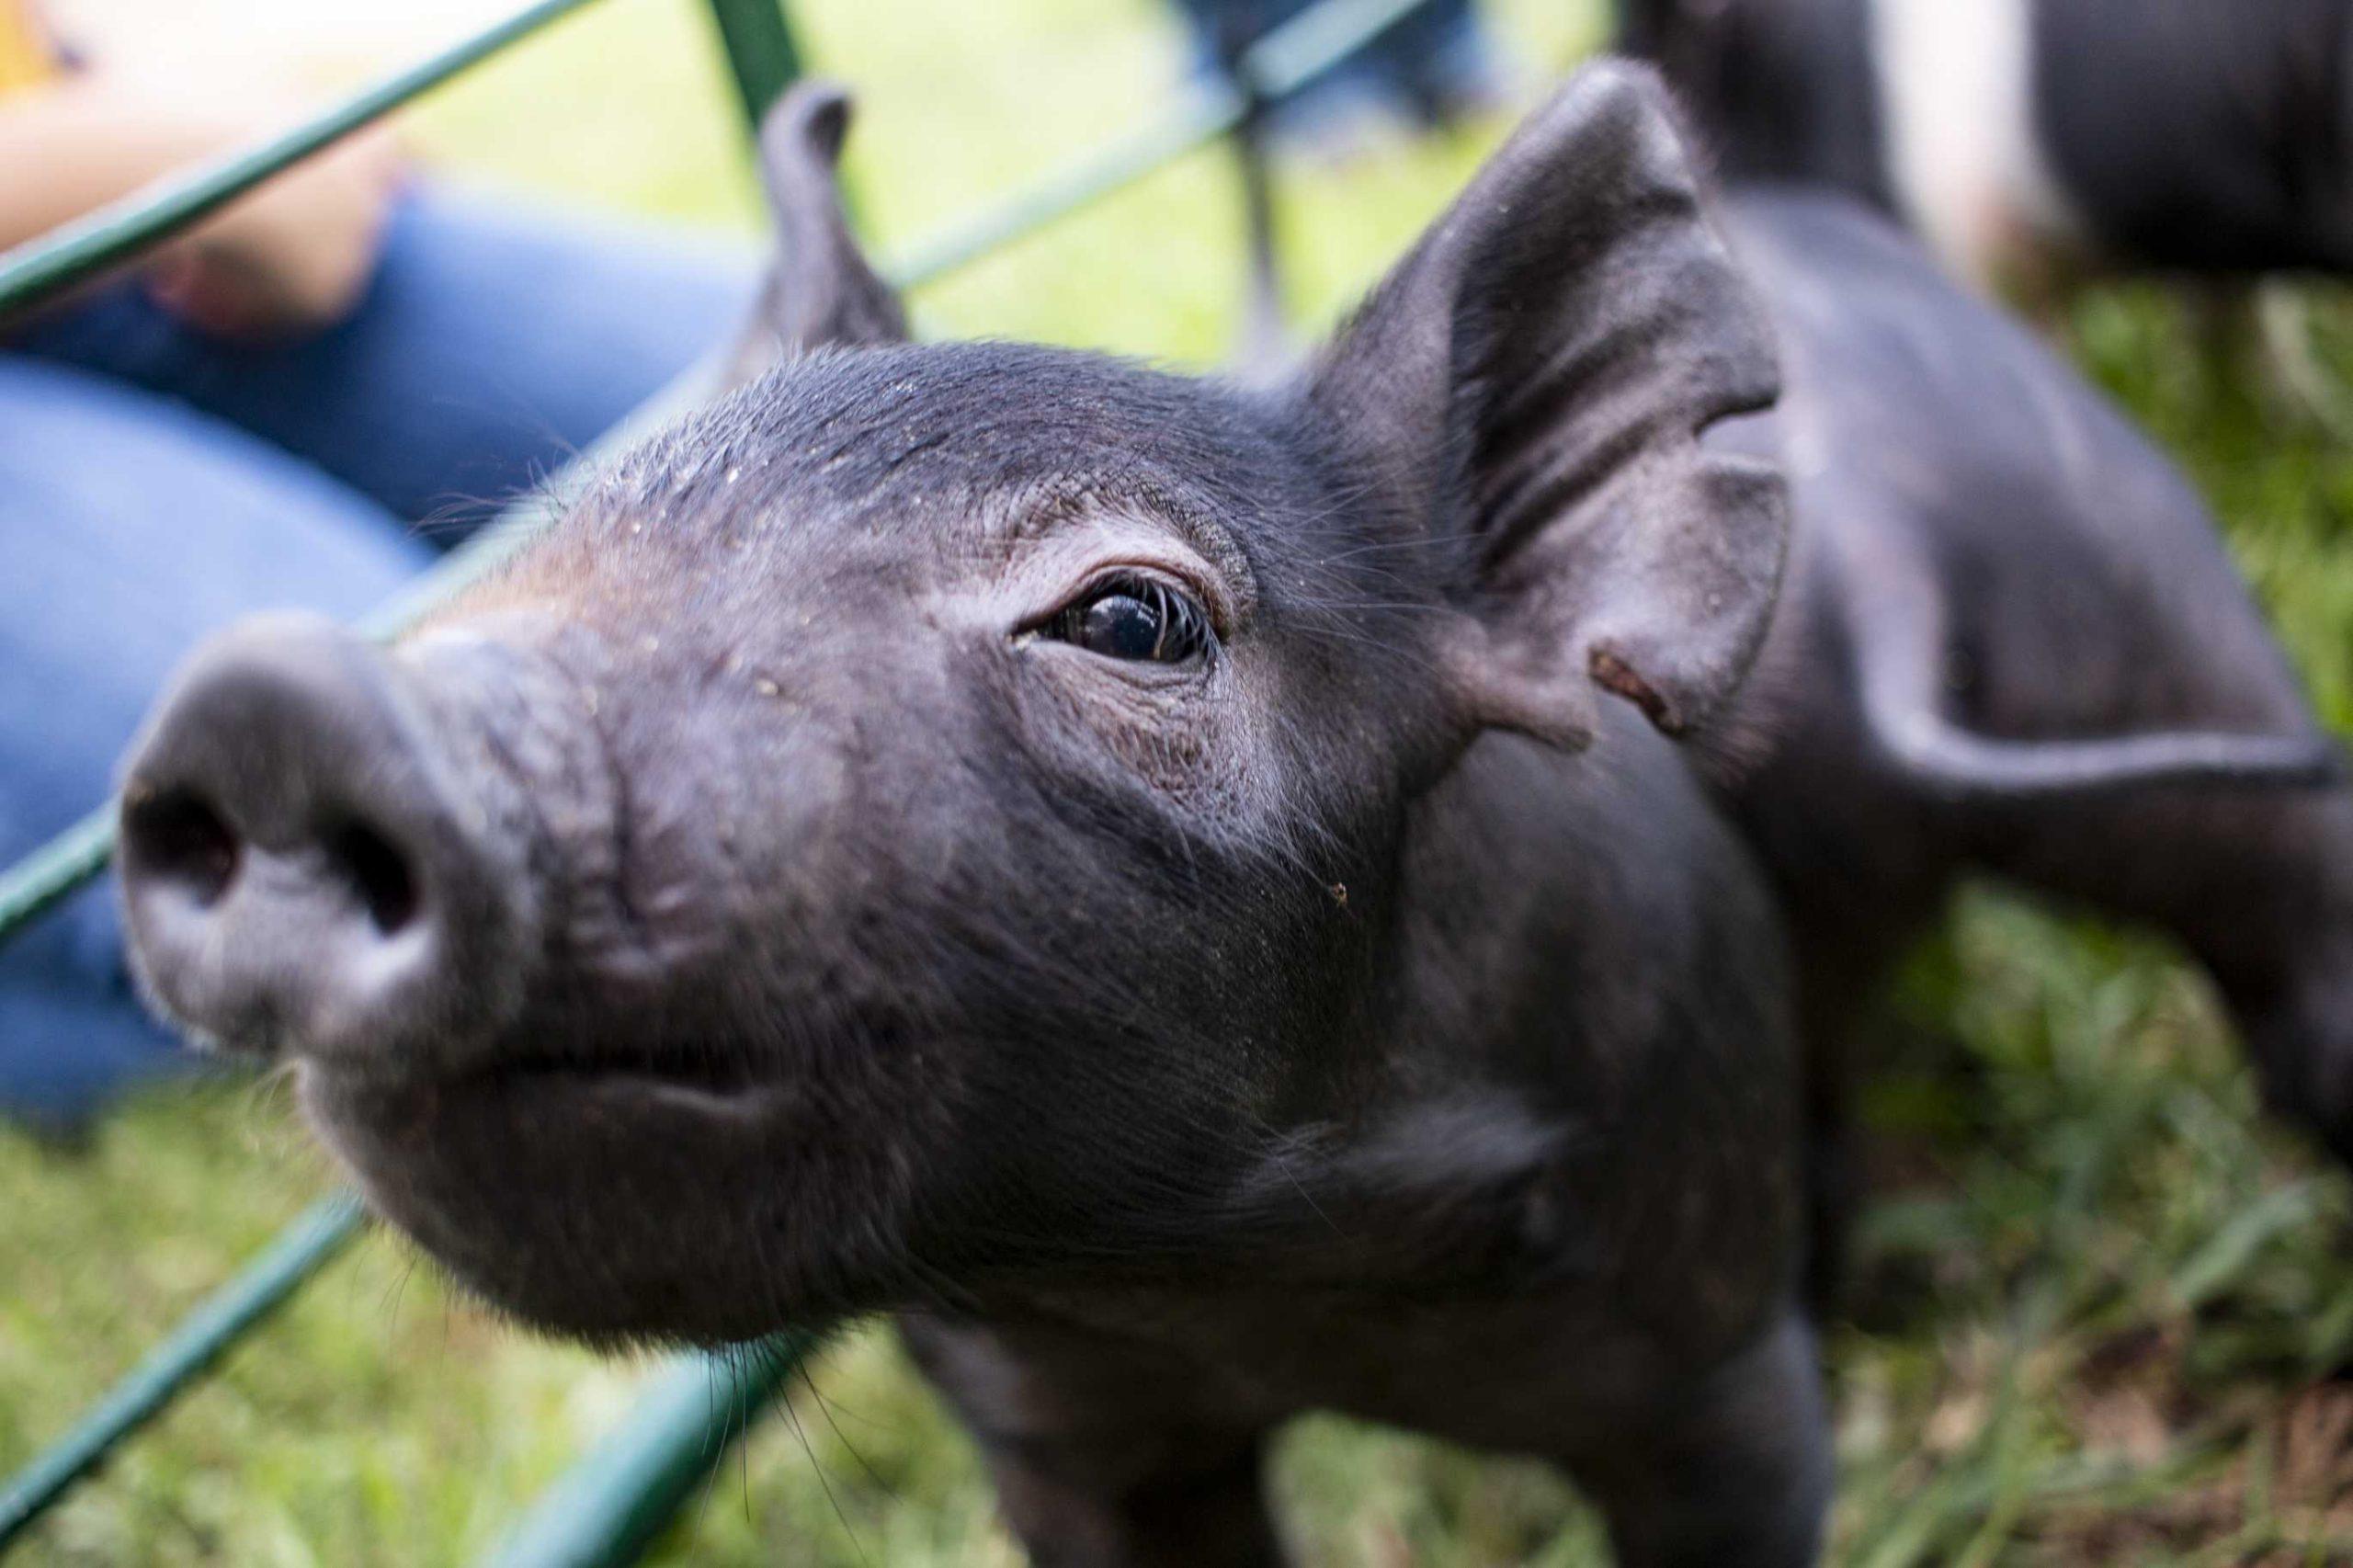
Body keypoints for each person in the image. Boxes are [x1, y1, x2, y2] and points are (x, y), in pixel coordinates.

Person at [0, 0, 753, 1131]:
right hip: (79, 180)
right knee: (395, 787)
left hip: (79, 194)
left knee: (783, 386)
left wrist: (159, 86)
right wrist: (162, 153)